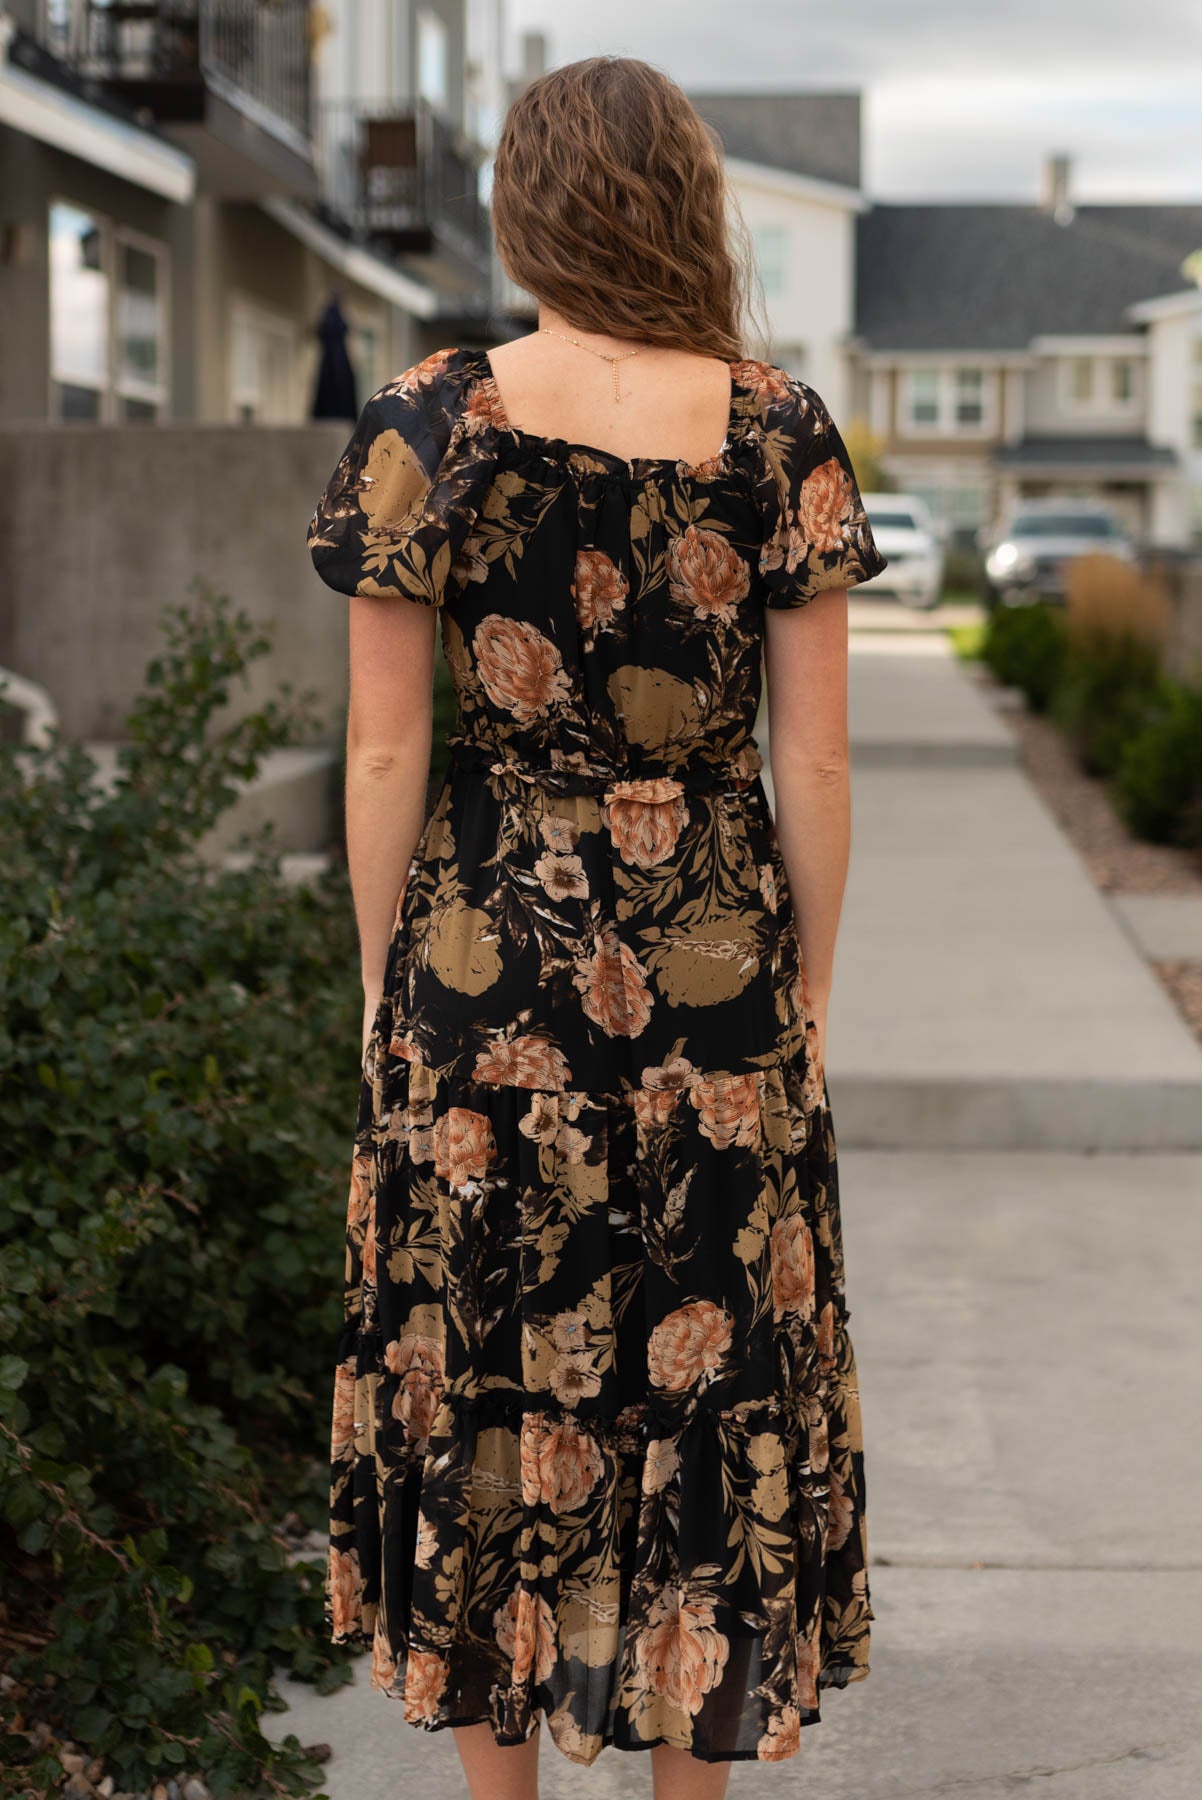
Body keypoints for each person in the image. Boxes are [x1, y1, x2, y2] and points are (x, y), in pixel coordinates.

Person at [306, 53, 887, 1800]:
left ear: (523, 201)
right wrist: (804, 998)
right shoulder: (776, 430)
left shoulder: (427, 421)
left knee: (494, 1381)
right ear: (686, 197)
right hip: (719, 990)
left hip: (484, 982)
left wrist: (376, 991)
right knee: (697, 1396)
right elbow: (817, 764)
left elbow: (389, 745)